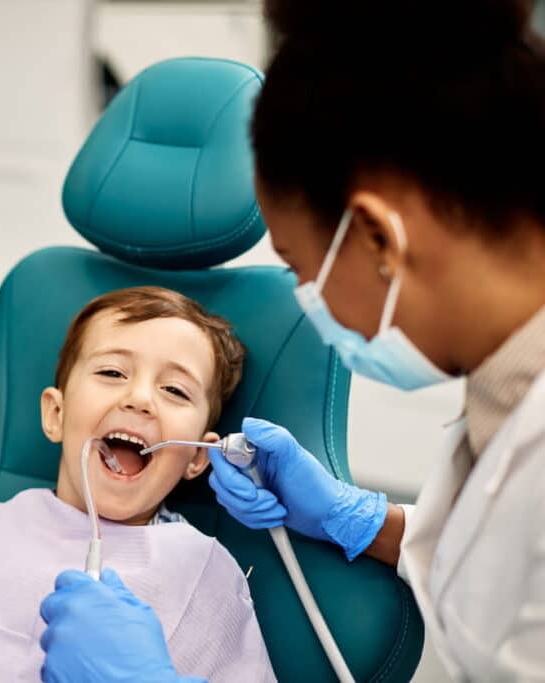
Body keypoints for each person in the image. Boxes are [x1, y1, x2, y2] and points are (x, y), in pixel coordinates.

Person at [37, 1, 545, 680]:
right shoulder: (508, 391)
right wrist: (369, 522)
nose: (308, 298)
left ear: (377, 239)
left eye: (300, 268)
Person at [0, 287, 275, 682]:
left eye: (174, 390)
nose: (139, 398)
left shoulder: (202, 570)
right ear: (56, 414)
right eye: (113, 372)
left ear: (198, 457)